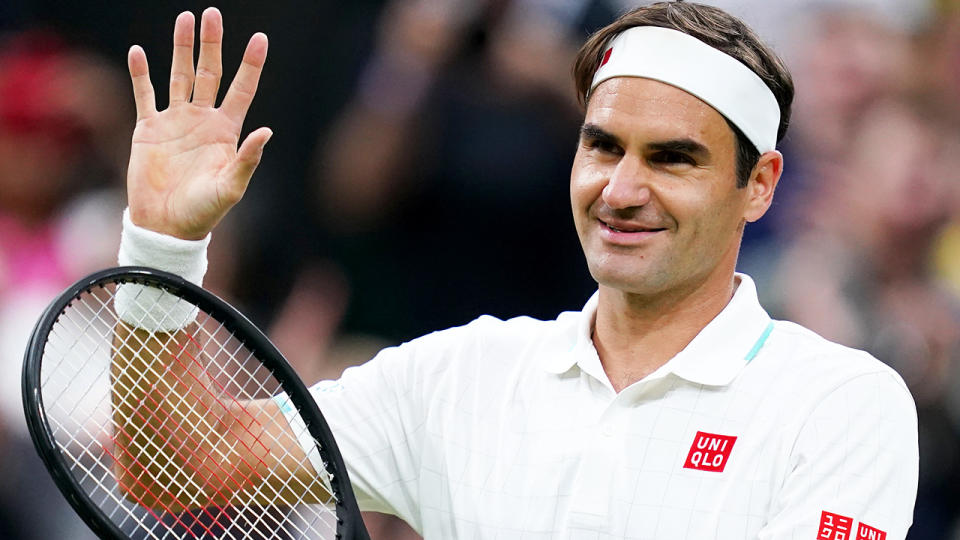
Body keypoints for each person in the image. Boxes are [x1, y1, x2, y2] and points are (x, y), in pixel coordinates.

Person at [114, 2, 918, 538]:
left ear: (760, 185)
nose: (622, 189)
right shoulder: (460, 374)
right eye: (601, 146)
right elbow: (178, 463)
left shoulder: (843, 404)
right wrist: (159, 245)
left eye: (673, 159)